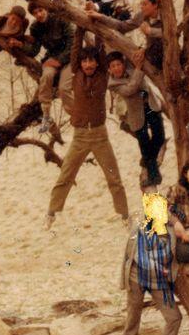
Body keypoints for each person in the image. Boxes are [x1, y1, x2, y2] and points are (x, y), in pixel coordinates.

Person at [45, 27, 129, 230]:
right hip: (80, 137)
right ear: (80, 64)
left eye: (91, 61)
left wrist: (94, 26)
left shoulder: (102, 74)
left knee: (113, 178)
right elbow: (75, 49)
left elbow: (100, 49)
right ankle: (51, 213)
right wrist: (80, 29)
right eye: (85, 61)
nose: (88, 64)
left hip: (101, 137)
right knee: (66, 175)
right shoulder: (76, 74)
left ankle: (125, 216)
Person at [120, 192, 181, 335]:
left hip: (158, 281)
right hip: (136, 278)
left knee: (174, 317)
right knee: (133, 318)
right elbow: (138, 256)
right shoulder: (140, 228)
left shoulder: (170, 230)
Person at [107, 49, 166, 189]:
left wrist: (141, 50)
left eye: (118, 64)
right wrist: (139, 70)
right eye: (113, 66)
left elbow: (136, 51)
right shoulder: (113, 83)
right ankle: (154, 175)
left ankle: (147, 159)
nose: (117, 68)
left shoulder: (130, 65)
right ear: (109, 69)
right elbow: (130, 89)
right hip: (135, 114)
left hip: (150, 104)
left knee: (159, 136)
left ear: (123, 63)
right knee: (144, 143)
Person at [21, 1, 74, 133]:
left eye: (41, 10)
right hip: (52, 58)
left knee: (63, 89)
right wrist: (19, 45)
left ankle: (77, 115)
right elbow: (34, 50)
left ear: (46, 9)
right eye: (35, 13)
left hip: (70, 58)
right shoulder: (35, 27)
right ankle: (46, 115)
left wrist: (60, 61)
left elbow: (72, 43)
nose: (38, 14)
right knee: (46, 76)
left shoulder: (60, 18)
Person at [91, 0, 164, 70]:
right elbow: (122, 26)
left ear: (155, 5)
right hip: (152, 54)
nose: (142, 7)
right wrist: (101, 17)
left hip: (167, 52)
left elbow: (172, 34)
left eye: (145, 4)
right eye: (141, 4)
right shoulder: (141, 15)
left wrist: (150, 31)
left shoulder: (166, 16)